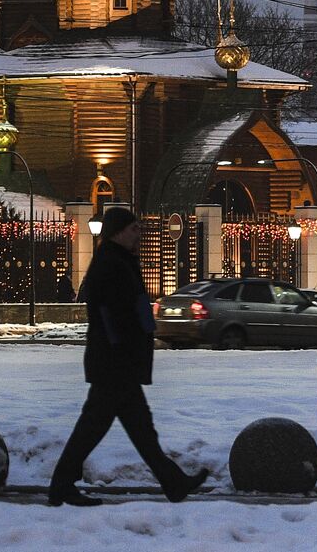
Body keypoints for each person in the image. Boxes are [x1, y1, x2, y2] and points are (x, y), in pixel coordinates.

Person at [49, 208, 208, 506]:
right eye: (134, 228)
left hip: (117, 361)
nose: (139, 234)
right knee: (99, 428)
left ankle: (174, 483)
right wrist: (123, 348)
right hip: (115, 362)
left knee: (136, 428)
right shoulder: (111, 264)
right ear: (119, 231)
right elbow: (110, 315)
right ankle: (61, 486)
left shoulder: (117, 261)